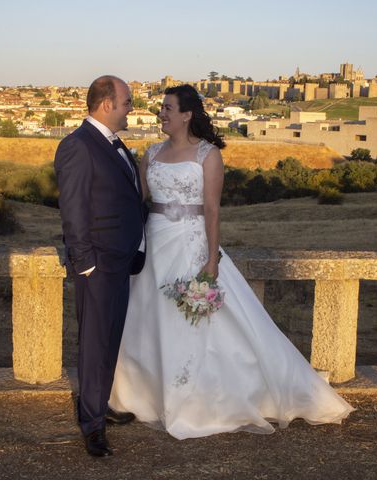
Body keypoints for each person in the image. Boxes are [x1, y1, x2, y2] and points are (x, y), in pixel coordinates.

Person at [109, 84, 354, 440]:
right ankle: (141, 393)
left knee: (189, 322)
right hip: (155, 242)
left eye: (167, 108)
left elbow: (211, 209)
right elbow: (136, 201)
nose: (160, 113)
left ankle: (199, 398)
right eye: (161, 108)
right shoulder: (151, 153)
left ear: (186, 115)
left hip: (190, 245)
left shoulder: (208, 155)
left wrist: (211, 259)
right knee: (147, 318)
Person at [54, 75, 147, 457]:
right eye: (127, 102)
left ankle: (98, 405)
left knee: (109, 341)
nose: (131, 109)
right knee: (94, 346)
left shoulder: (115, 143)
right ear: (107, 104)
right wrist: (86, 264)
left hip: (120, 261)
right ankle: (91, 427)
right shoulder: (77, 146)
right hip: (98, 265)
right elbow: (73, 210)